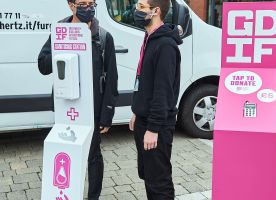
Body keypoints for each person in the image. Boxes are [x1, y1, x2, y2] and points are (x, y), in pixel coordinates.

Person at [38, 0, 118, 199]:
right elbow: (43, 65)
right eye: (82, 3)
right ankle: (66, 192)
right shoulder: (60, 32)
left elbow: (112, 79)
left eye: (92, 3)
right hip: (66, 107)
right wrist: (63, 49)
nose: (88, 8)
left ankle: (93, 196)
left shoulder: (104, 37)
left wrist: (107, 114)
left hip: (93, 109)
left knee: (93, 156)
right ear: (71, 5)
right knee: (67, 151)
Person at [129, 0, 182, 199]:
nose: (136, 10)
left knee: (159, 182)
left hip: (156, 127)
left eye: (141, 7)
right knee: (148, 176)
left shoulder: (166, 45)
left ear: (156, 11)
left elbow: (163, 92)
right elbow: (144, 80)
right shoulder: (149, 37)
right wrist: (137, 110)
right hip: (144, 120)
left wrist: (153, 129)